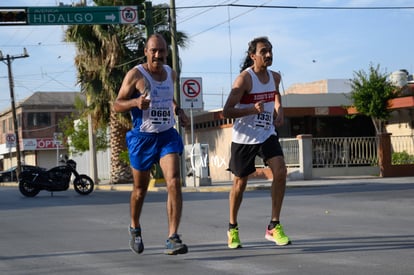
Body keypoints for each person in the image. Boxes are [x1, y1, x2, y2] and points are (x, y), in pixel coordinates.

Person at [113, 34, 190, 255]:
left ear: (167, 52)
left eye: (162, 51)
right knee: (140, 190)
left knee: (174, 181)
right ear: (146, 52)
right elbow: (116, 105)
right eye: (153, 51)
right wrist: (135, 102)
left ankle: (172, 236)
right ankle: (135, 227)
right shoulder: (136, 74)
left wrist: (178, 111)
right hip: (142, 138)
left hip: (166, 135)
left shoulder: (170, 74)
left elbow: (169, 99)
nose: (158, 55)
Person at [222, 36, 291, 249]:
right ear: (253, 56)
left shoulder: (276, 77)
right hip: (244, 137)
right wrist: (252, 110)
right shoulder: (244, 80)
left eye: (270, 50)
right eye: (264, 51)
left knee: (280, 170)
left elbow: (275, 95)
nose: (268, 55)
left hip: (266, 133)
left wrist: (279, 112)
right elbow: (226, 111)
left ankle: (273, 225)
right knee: (240, 183)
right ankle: (232, 228)